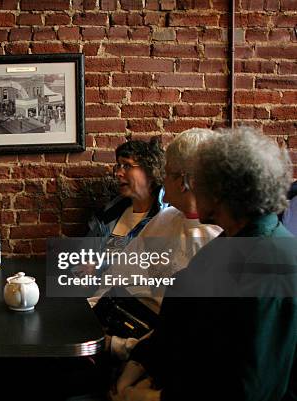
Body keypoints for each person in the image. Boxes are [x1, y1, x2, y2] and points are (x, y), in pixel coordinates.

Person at [111, 127, 297, 401]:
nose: (193, 188)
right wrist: (135, 368)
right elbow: (178, 325)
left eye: (201, 181)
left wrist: (150, 397)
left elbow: (247, 389)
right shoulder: (229, 242)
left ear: (222, 192)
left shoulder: (271, 265)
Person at [91, 129, 223, 360]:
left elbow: (186, 338)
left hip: (147, 355)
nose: (161, 178)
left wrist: (115, 346)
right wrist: (87, 317)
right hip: (116, 328)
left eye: (167, 171)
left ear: (184, 182)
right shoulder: (164, 219)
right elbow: (114, 277)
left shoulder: (217, 241)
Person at [87, 139, 166, 253]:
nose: (118, 173)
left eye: (127, 166)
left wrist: (99, 267)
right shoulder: (109, 212)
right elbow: (82, 256)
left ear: (150, 170)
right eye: (118, 166)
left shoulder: (166, 216)